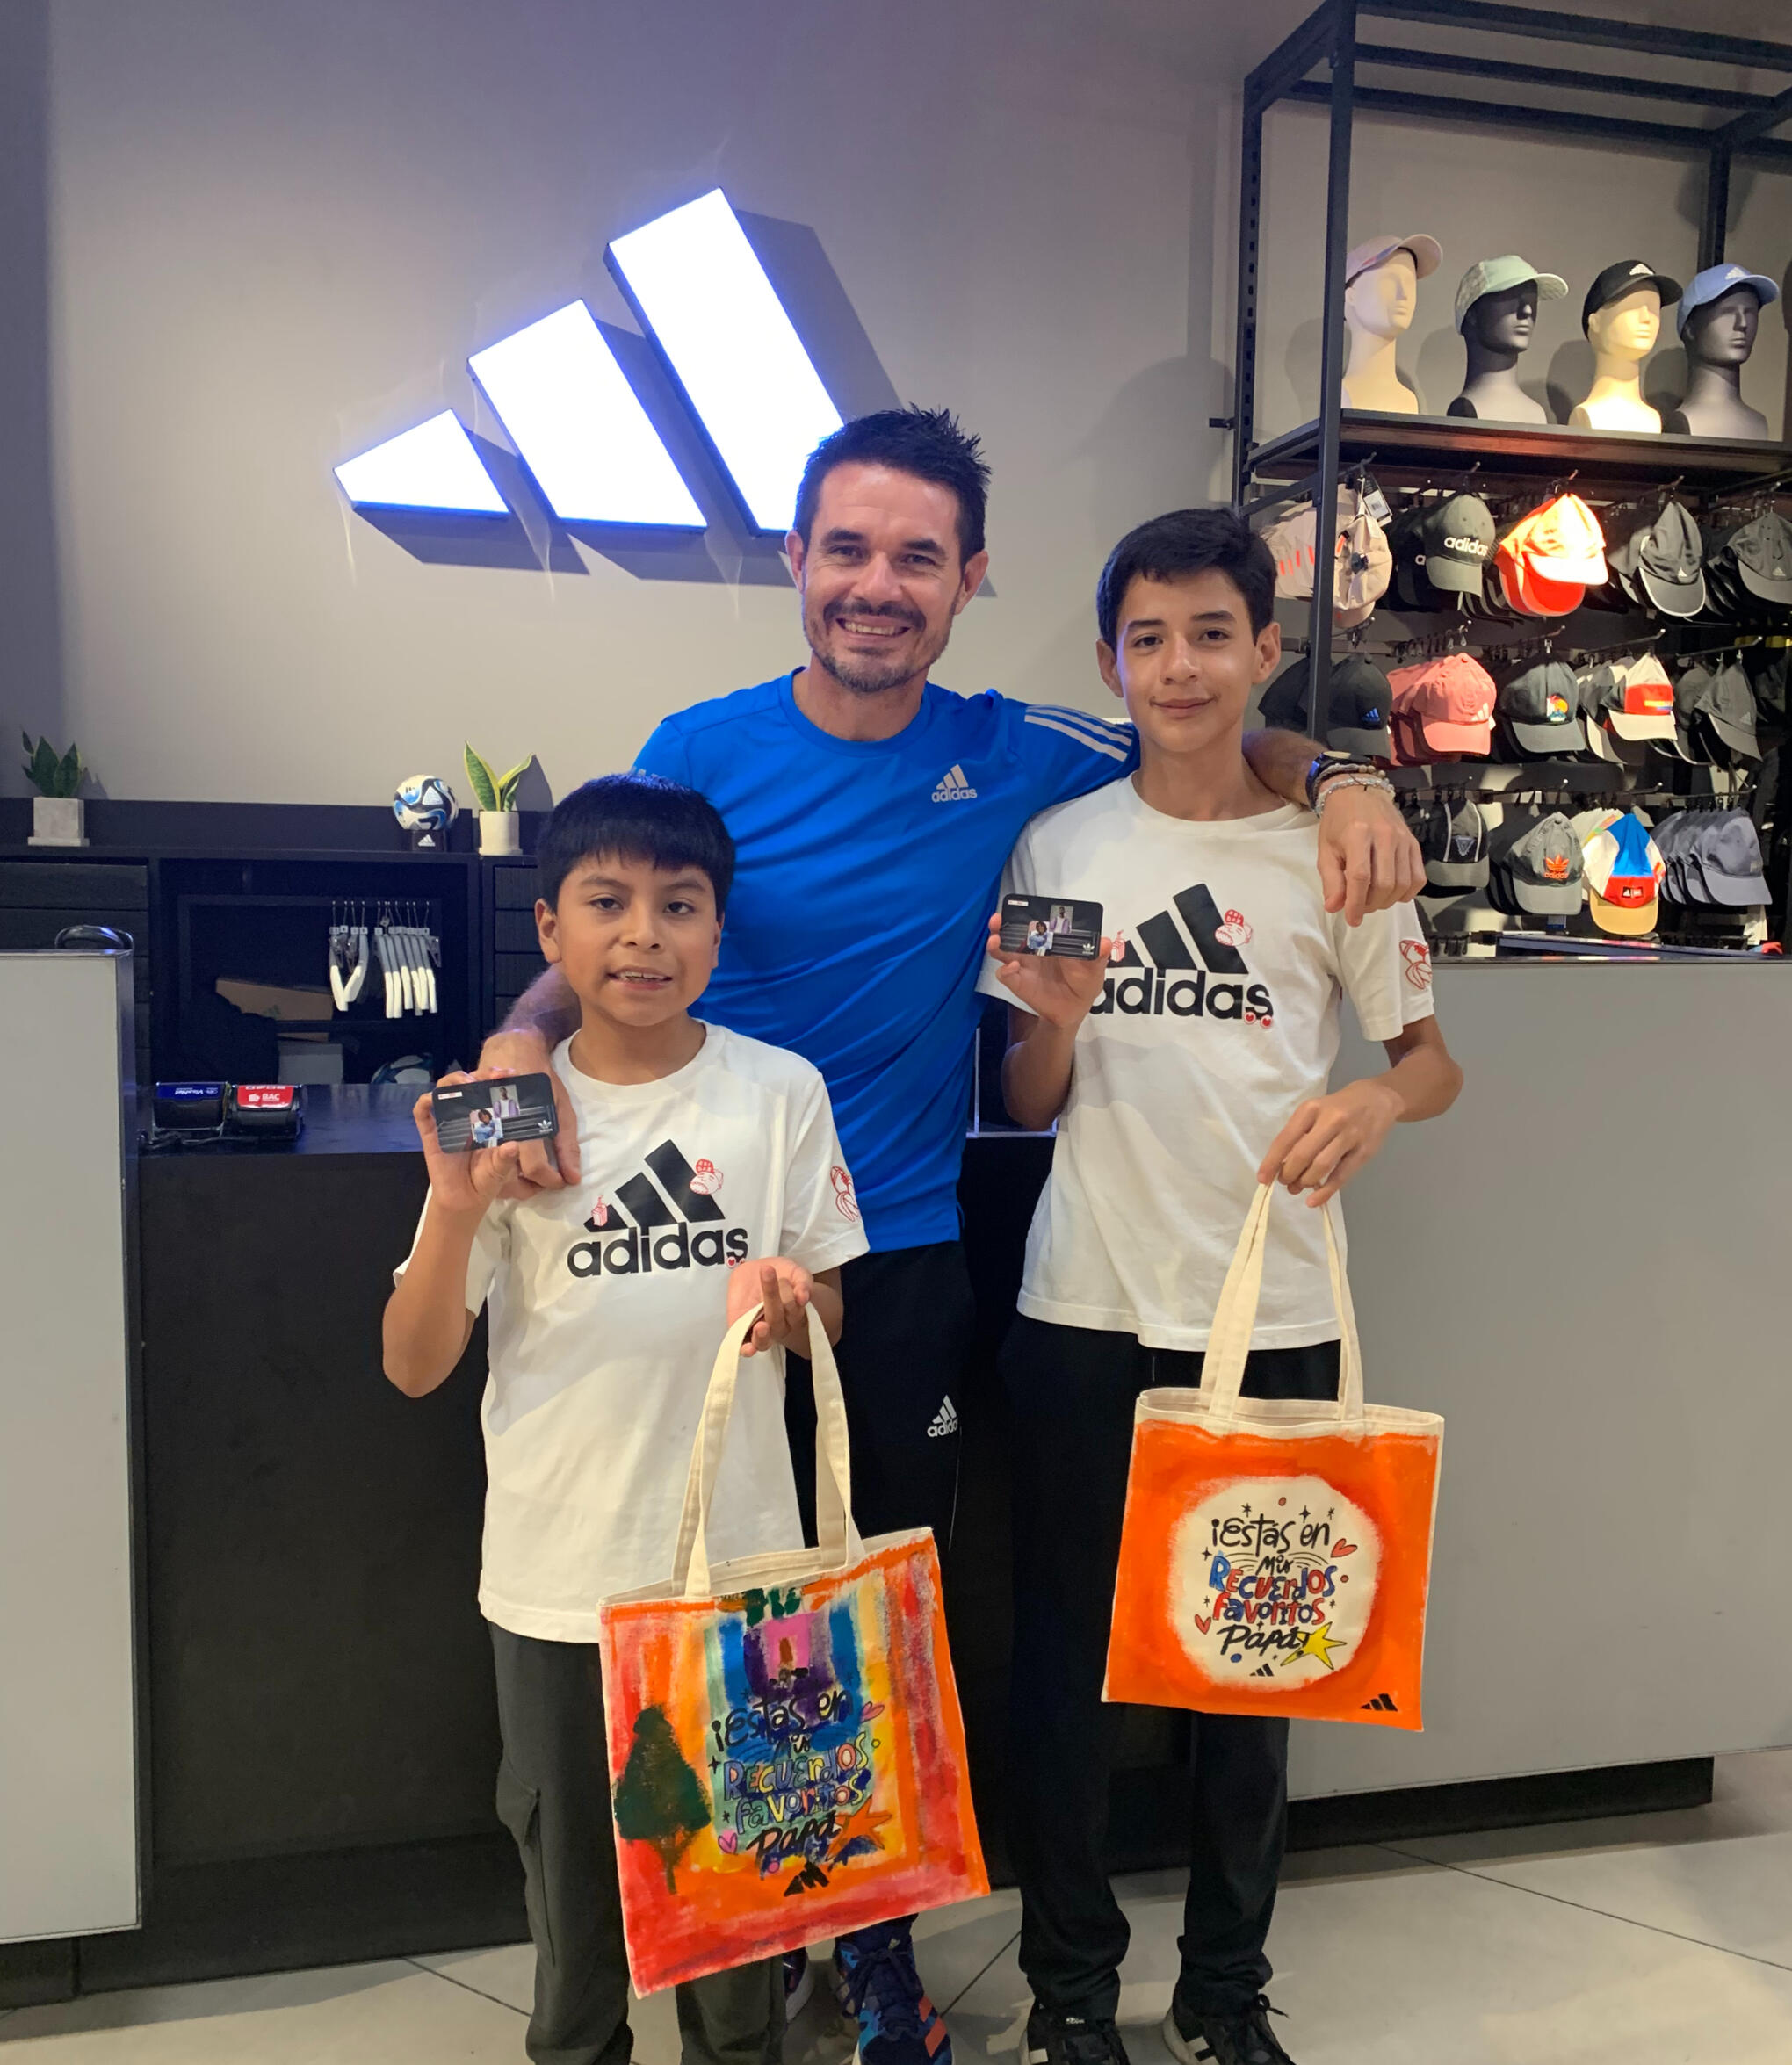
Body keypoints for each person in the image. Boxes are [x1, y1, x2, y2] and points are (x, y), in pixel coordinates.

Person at [480, 410, 1424, 2065]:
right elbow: (611, 912)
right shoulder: (700, 745)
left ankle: (870, 1945)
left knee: (863, 1629)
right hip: (698, 1262)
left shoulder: (1027, 756)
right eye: (847, 548)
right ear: (797, 560)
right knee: (709, 1614)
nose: (878, 584)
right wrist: (510, 1040)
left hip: (897, 1254)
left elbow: (1207, 732)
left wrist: (1343, 775)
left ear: (969, 578)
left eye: (918, 556)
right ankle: (730, 1940)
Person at [981, 509, 1461, 2065]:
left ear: (1266, 651)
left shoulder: (1338, 851)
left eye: (1209, 636)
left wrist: (1375, 1103)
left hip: (1273, 1314)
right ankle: (1070, 1990)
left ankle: (1226, 1988)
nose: (1178, 668)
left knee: (1254, 1667)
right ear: (1107, 660)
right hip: (1083, 1306)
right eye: (1148, 639)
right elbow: (1030, 1097)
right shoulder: (1060, 846)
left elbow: (1430, 1061)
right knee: (1066, 1669)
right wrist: (1054, 1021)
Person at [384, 774, 868, 2065]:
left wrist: (793, 1307)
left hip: (739, 1575)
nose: (644, 935)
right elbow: (415, 1365)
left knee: (738, 1913)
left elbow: (830, 1302)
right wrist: (452, 1210)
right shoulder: (512, 1118)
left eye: (679, 905)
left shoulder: (779, 1092)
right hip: (558, 1580)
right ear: (549, 929)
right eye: (607, 903)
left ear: (719, 930)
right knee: (576, 1922)